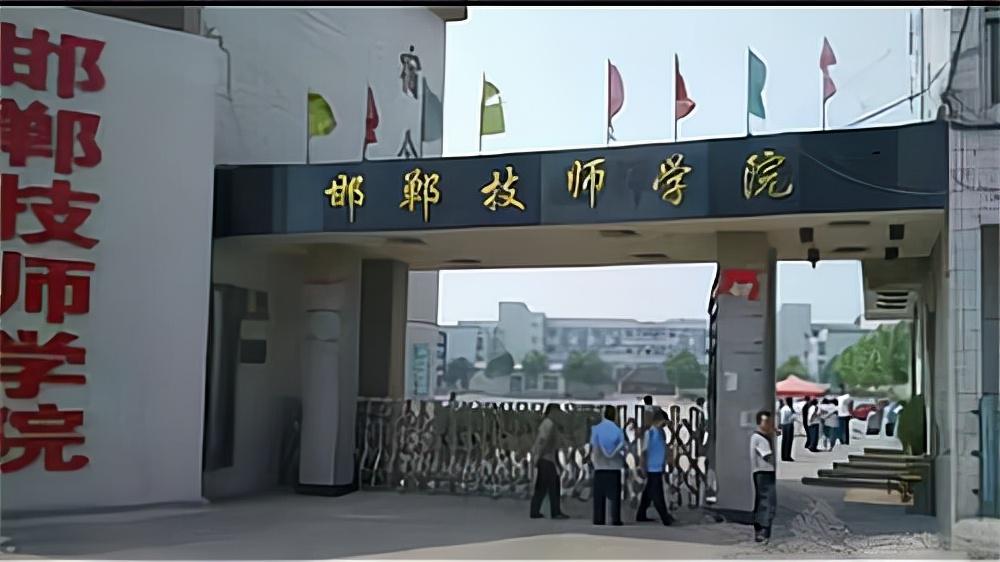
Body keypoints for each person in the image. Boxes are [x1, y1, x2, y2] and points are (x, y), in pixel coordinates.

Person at [529, 404, 569, 520]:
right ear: (552, 411)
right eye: (557, 412)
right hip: (546, 459)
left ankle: (535, 511)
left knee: (542, 486)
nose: (559, 414)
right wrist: (539, 455)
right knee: (553, 486)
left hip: (547, 459)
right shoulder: (548, 423)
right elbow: (543, 441)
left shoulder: (549, 423)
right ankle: (555, 512)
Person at [636, 408, 675, 526]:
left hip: (659, 467)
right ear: (660, 420)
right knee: (657, 494)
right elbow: (644, 451)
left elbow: (664, 448)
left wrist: (666, 463)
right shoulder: (650, 433)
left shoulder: (661, 432)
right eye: (664, 422)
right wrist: (642, 466)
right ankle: (665, 517)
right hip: (652, 468)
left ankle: (641, 514)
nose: (665, 424)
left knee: (648, 492)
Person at [590, 405, 625, 526]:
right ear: (614, 415)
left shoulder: (596, 429)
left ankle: (598, 519)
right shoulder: (618, 430)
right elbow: (623, 447)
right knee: (615, 496)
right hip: (614, 468)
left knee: (599, 496)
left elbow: (594, 447)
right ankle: (615, 519)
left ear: (603, 414)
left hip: (599, 467)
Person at [750, 410, 777, 543]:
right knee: (766, 501)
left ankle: (761, 528)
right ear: (759, 423)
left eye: (770, 422)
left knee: (762, 500)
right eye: (766, 422)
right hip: (764, 471)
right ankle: (763, 530)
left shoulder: (758, 437)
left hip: (761, 471)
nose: (769, 424)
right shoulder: (760, 438)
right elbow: (768, 456)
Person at [779, 397, 796, 462]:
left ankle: (783, 456)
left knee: (784, 440)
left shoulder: (783, 408)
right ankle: (787, 456)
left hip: (784, 425)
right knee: (789, 440)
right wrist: (792, 417)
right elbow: (789, 418)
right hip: (789, 424)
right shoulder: (789, 408)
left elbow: (782, 418)